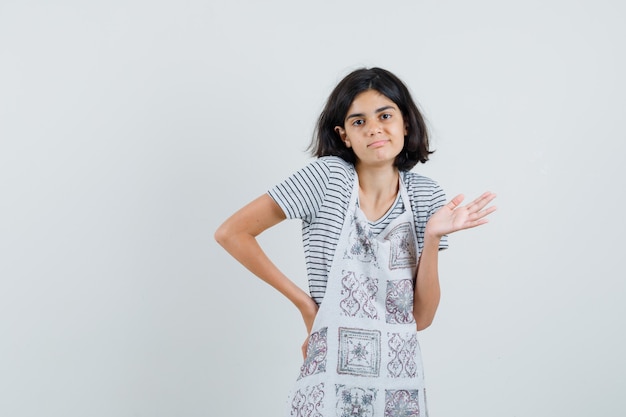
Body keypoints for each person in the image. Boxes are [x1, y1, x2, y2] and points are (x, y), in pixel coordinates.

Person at [215, 67, 496, 416]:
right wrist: (306, 306)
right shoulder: (326, 178)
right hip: (328, 374)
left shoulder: (426, 196)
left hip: (398, 383)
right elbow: (232, 233)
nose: (374, 128)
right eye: (358, 121)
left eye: (385, 115)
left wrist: (433, 236)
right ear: (344, 135)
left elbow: (420, 318)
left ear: (405, 124)